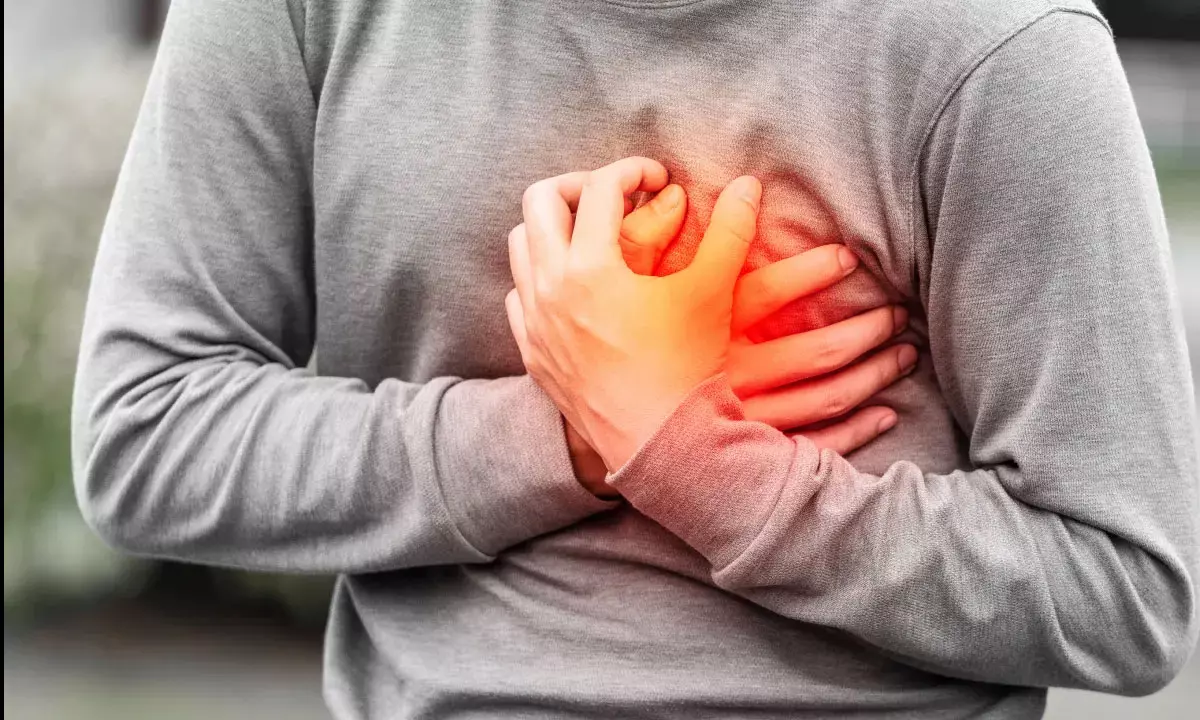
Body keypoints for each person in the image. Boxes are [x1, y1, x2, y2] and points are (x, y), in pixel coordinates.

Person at [71, 1, 1197, 718]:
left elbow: (1124, 591)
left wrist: (698, 458)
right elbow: (147, 430)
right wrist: (577, 430)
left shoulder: (998, 48)